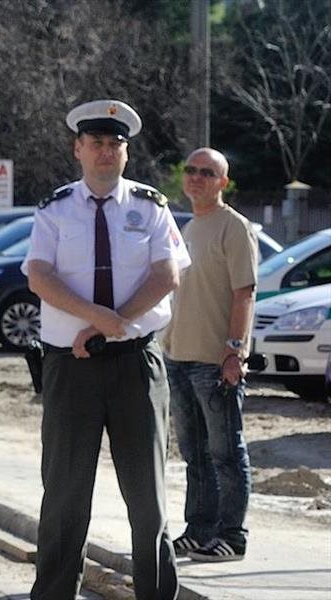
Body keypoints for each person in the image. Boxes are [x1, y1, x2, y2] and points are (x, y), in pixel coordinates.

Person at [22, 99, 190, 600]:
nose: (105, 152)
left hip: (136, 365)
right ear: (78, 149)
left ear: (126, 153)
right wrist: (101, 320)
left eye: (115, 144)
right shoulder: (54, 209)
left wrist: (115, 327)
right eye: (96, 143)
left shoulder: (150, 207)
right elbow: (39, 276)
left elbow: (167, 275)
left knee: (148, 499)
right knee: (66, 495)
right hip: (70, 368)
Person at [161, 148, 256, 562]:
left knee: (225, 453)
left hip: (216, 362)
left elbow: (244, 293)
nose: (197, 177)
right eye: (192, 170)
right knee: (194, 454)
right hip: (179, 357)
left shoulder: (234, 228)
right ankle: (199, 531)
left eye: (208, 172)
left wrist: (235, 351)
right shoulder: (187, 228)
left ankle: (232, 536)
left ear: (224, 182)